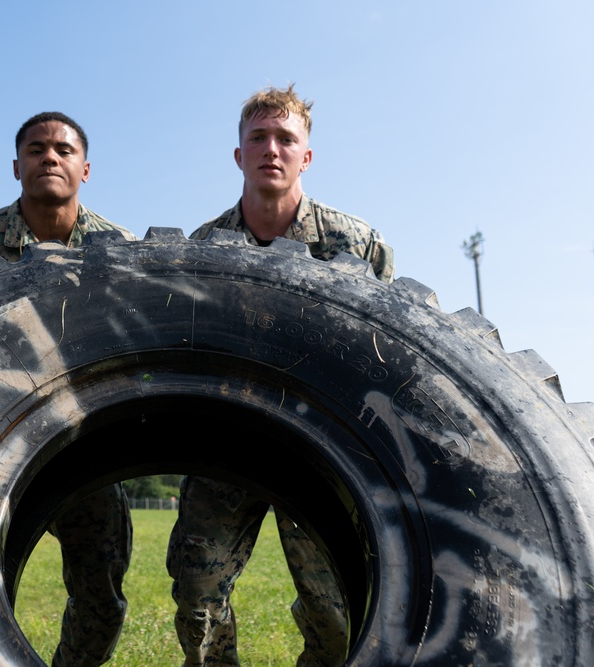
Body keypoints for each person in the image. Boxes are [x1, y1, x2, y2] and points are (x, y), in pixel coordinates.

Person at [166, 85, 394, 667]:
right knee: (196, 595)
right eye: (258, 138)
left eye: (286, 138)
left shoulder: (357, 246)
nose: (272, 149)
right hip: (231, 445)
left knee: (334, 611)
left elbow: (386, 353)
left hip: (324, 450)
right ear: (238, 155)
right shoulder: (205, 250)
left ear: (306, 156)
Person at [0, 111, 138, 667]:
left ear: (85, 168)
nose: (50, 157)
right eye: (37, 148)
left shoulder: (118, 249)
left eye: (64, 150)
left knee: (101, 596)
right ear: (17, 165)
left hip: (83, 442)